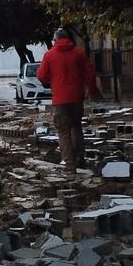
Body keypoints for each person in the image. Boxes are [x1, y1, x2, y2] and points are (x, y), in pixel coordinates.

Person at [37, 28, 100, 173]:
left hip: (60, 100)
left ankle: (70, 166)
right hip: (77, 97)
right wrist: (91, 91)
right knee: (77, 127)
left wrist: (52, 79)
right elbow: (90, 73)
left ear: (56, 40)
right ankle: (80, 159)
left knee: (64, 132)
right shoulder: (78, 52)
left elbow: (41, 76)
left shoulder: (49, 55)